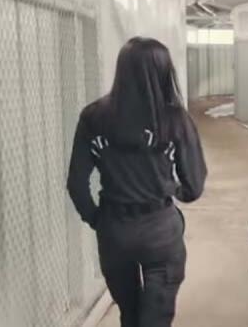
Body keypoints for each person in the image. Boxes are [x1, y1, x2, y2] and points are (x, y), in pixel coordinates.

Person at [67, 37, 207, 327]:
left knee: (129, 315)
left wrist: (99, 220)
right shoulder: (175, 119)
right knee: (156, 319)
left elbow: (76, 183)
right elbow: (193, 186)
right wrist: (171, 188)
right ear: (165, 72)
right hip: (160, 229)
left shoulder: (93, 117)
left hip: (114, 230)